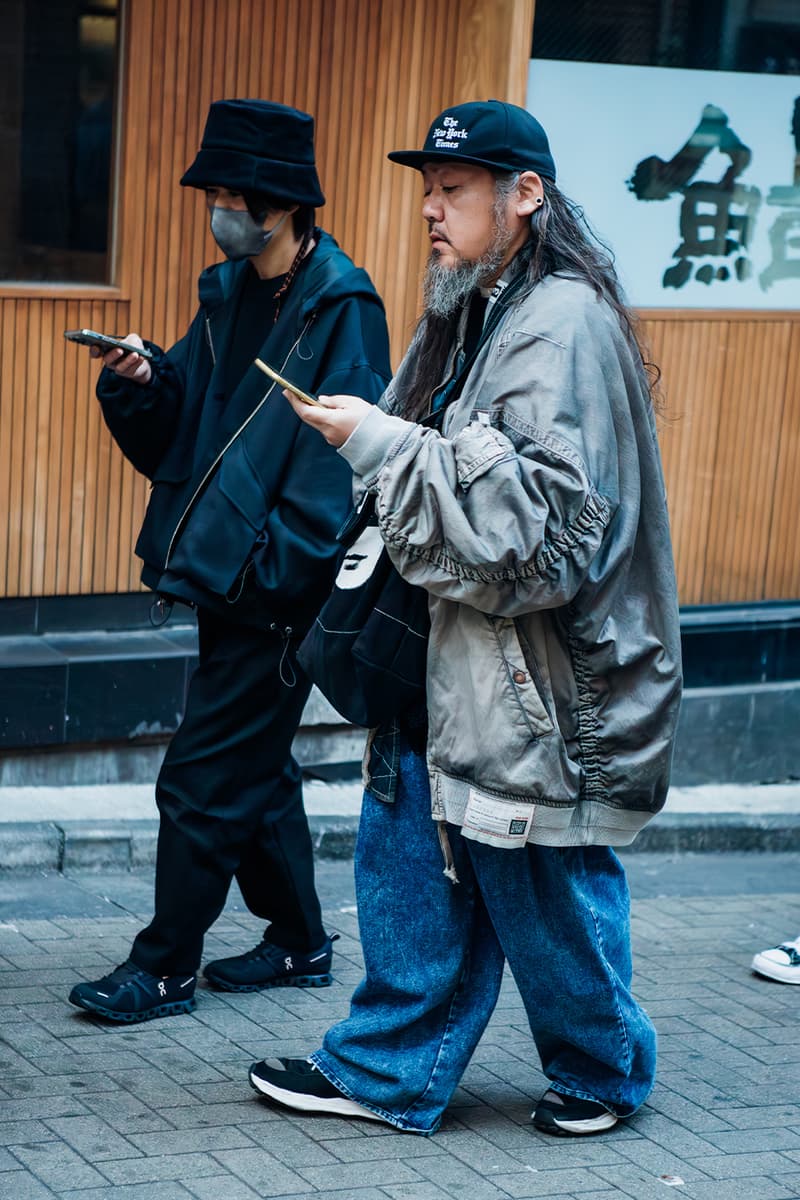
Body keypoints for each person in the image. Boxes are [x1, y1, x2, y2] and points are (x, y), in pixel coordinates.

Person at [247, 100, 683, 1137]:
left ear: (522, 196)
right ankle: (387, 1068)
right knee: (409, 854)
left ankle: (604, 1069)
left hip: (538, 680)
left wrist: (379, 445)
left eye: (452, 191)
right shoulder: (472, 304)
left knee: (539, 885)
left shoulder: (559, 322)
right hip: (445, 651)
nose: (430, 212)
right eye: (427, 192)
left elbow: (539, 537)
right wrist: (381, 442)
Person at [67, 99, 391, 1023]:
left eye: (230, 192)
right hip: (225, 576)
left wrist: (275, 571)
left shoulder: (341, 305)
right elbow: (187, 422)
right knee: (253, 763)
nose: (217, 205)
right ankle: (300, 942)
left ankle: (163, 966)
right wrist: (140, 380)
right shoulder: (231, 291)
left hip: (277, 588)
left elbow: (342, 463)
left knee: (201, 776)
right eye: (212, 190)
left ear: (281, 203)